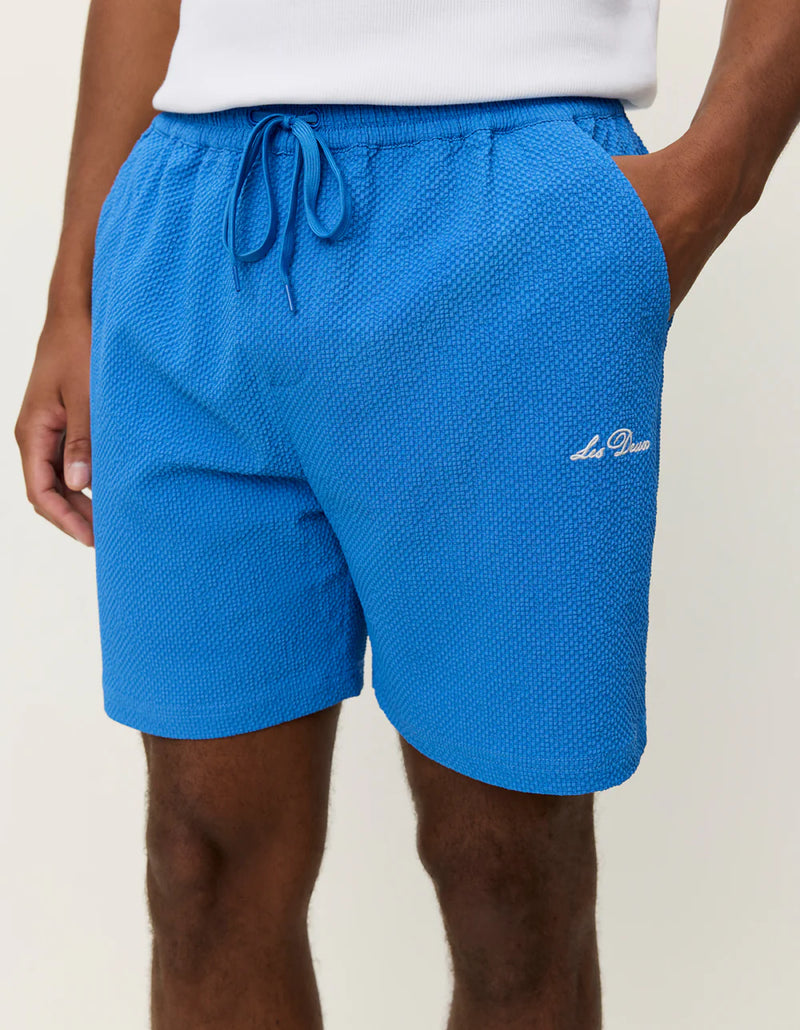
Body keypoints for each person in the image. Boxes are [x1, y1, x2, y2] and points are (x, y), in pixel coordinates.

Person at [14, 1, 800, 1027]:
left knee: (508, 877)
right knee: (198, 863)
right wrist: (73, 294)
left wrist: (715, 179)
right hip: (195, 213)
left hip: (509, 207)